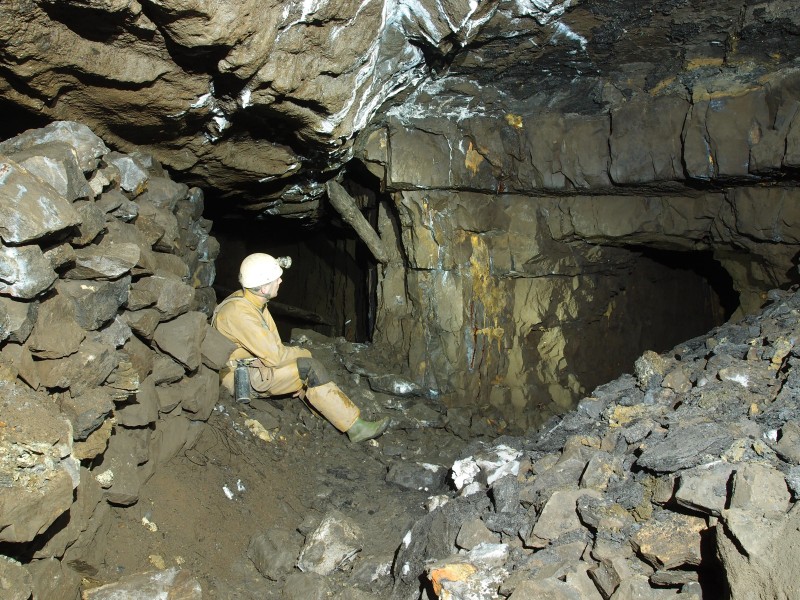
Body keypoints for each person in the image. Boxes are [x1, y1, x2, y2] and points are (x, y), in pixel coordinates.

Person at [212, 253, 390, 443]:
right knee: (309, 367)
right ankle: (356, 427)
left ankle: (329, 417)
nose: (280, 280)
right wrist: (304, 354)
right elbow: (277, 357)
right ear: (263, 288)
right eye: (276, 279)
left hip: (249, 367)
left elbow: (271, 344)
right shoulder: (240, 314)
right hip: (239, 378)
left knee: (301, 365)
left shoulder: (252, 301)